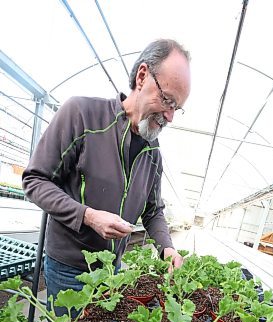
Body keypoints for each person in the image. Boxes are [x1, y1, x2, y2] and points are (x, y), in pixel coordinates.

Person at [22, 39, 191, 305]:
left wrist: (167, 248)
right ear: (142, 76)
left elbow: (153, 210)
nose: (170, 116)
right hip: (70, 270)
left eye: (176, 108)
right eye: (167, 100)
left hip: (113, 272)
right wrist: (88, 216)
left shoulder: (153, 154)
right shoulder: (82, 114)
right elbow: (35, 180)